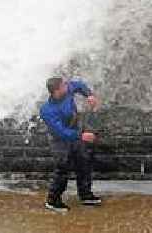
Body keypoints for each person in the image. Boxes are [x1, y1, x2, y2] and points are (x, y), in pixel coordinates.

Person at [39, 75, 102, 212]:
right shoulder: (47, 110)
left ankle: (85, 195)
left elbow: (78, 85)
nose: (68, 86)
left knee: (84, 163)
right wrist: (81, 136)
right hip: (60, 141)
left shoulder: (67, 90)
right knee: (62, 169)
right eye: (64, 86)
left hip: (75, 133)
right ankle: (53, 200)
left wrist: (89, 95)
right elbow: (60, 131)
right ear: (56, 91)